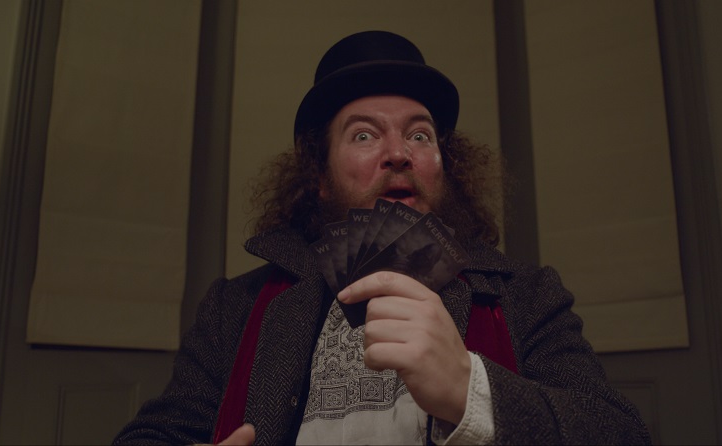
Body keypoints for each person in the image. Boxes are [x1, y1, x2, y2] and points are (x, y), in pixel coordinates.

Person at [114, 30, 651, 445]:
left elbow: (620, 434)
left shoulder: (525, 295)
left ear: (445, 166)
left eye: (420, 134)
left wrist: (470, 391)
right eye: (364, 134)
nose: (399, 153)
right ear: (320, 177)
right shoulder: (235, 307)